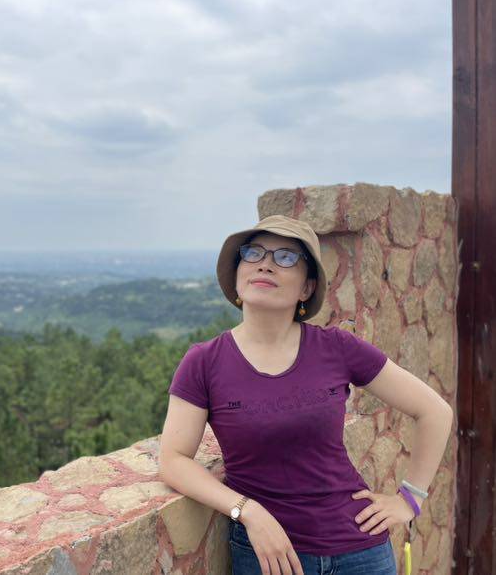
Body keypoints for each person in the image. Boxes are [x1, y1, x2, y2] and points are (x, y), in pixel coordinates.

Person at [158, 214, 454, 575]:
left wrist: (410, 499)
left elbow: (435, 412)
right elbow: (173, 460)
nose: (265, 264)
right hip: (271, 558)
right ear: (237, 275)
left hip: (360, 552)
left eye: (285, 257)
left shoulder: (337, 347)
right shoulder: (204, 362)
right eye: (253, 253)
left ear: (306, 288)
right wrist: (246, 510)